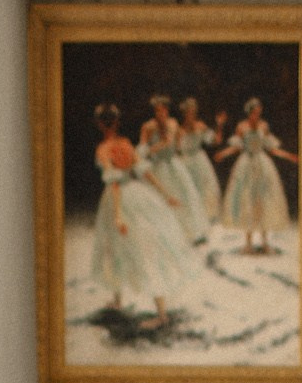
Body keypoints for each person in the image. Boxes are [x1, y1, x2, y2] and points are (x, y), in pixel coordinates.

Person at [87, 103, 195, 325]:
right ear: (116, 123)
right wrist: (165, 194)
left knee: (137, 249)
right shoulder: (126, 144)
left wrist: (118, 214)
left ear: (100, 125)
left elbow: (115, 182)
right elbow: (144, 173)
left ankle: (161, 315)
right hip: (137, 194)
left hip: (119, 200)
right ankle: (118, 299)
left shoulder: (103, 149)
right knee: (120, 247)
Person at [218, 97, 296, 252]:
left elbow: (271, 148)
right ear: (249, 113)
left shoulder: (263, 126)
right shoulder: (242, 127)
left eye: (259, 113)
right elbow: (237, 147)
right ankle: (248, 243)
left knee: (263, 201)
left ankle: (265, 242)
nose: (257, 116)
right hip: (247, 165)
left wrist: (288, 156)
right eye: (254, 113)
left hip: (262, 165)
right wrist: (224, 153)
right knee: (247, 200)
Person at [137, 93, 209, 244]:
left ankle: (187, 233)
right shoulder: (148, 127)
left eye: (163, 110)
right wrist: (158, 146)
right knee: (161, 199)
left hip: (174, 164)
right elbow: (142, 152)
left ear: (167, 110)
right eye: (157, 110)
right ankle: (163, 236)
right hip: (158, 165)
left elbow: (177, 143)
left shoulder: (173, 123)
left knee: (185, 195)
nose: (161, 113)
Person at [174, 96, 222, 228]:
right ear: (184, 114)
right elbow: (176, 149)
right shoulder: (179, 130)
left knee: (205, 189)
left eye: (193, 112)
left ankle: (206, 220)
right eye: (189, 112)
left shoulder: (200, 126)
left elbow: (215, 141)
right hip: (185, 162)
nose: (191, 115)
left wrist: (219, 125)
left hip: (200, 161)